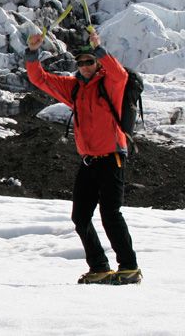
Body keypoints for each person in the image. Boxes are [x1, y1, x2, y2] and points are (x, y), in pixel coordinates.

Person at [26, 30, 142, 285]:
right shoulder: (74, 88)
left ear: (97, 63)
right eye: (80, 62)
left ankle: (129, 267)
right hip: (89, 160)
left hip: (112, 157)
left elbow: (120, 75)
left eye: (89, 61)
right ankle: (99, 267)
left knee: (110, 213)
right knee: (80, 217)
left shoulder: (109, 83)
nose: (85, 66)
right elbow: (40, 79)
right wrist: (33, 53)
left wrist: (99, 48)